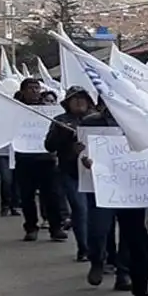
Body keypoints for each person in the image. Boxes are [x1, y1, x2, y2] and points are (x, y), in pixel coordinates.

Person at [81, 105, 148, 296]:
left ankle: (139, 284)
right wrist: (89, 161)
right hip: (118, 193)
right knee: (132, 246)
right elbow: (85, 155)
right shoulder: (95, 124)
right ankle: (141, 295)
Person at [43, 86, 95, 262]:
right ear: (68, 103)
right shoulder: (60, 121)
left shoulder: (97, 120)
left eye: (82, 98)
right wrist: (64, 136)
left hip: (95, 174)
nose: (79, 102)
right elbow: (49, 145)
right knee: (80, 209)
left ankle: (100, 250)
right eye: (75, 99)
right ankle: (84, 248)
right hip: (71, 173)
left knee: (96, 213)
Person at [13, 78, 66, 242]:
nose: (35, 91)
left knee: (52, 195)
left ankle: (56, 227)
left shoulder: (48, 110)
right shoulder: (15, 109)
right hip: (24, 158)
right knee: (27, 196)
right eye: (31, 88)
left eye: (37, 88)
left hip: (46, 158)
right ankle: (31, 227)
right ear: (23, 91)